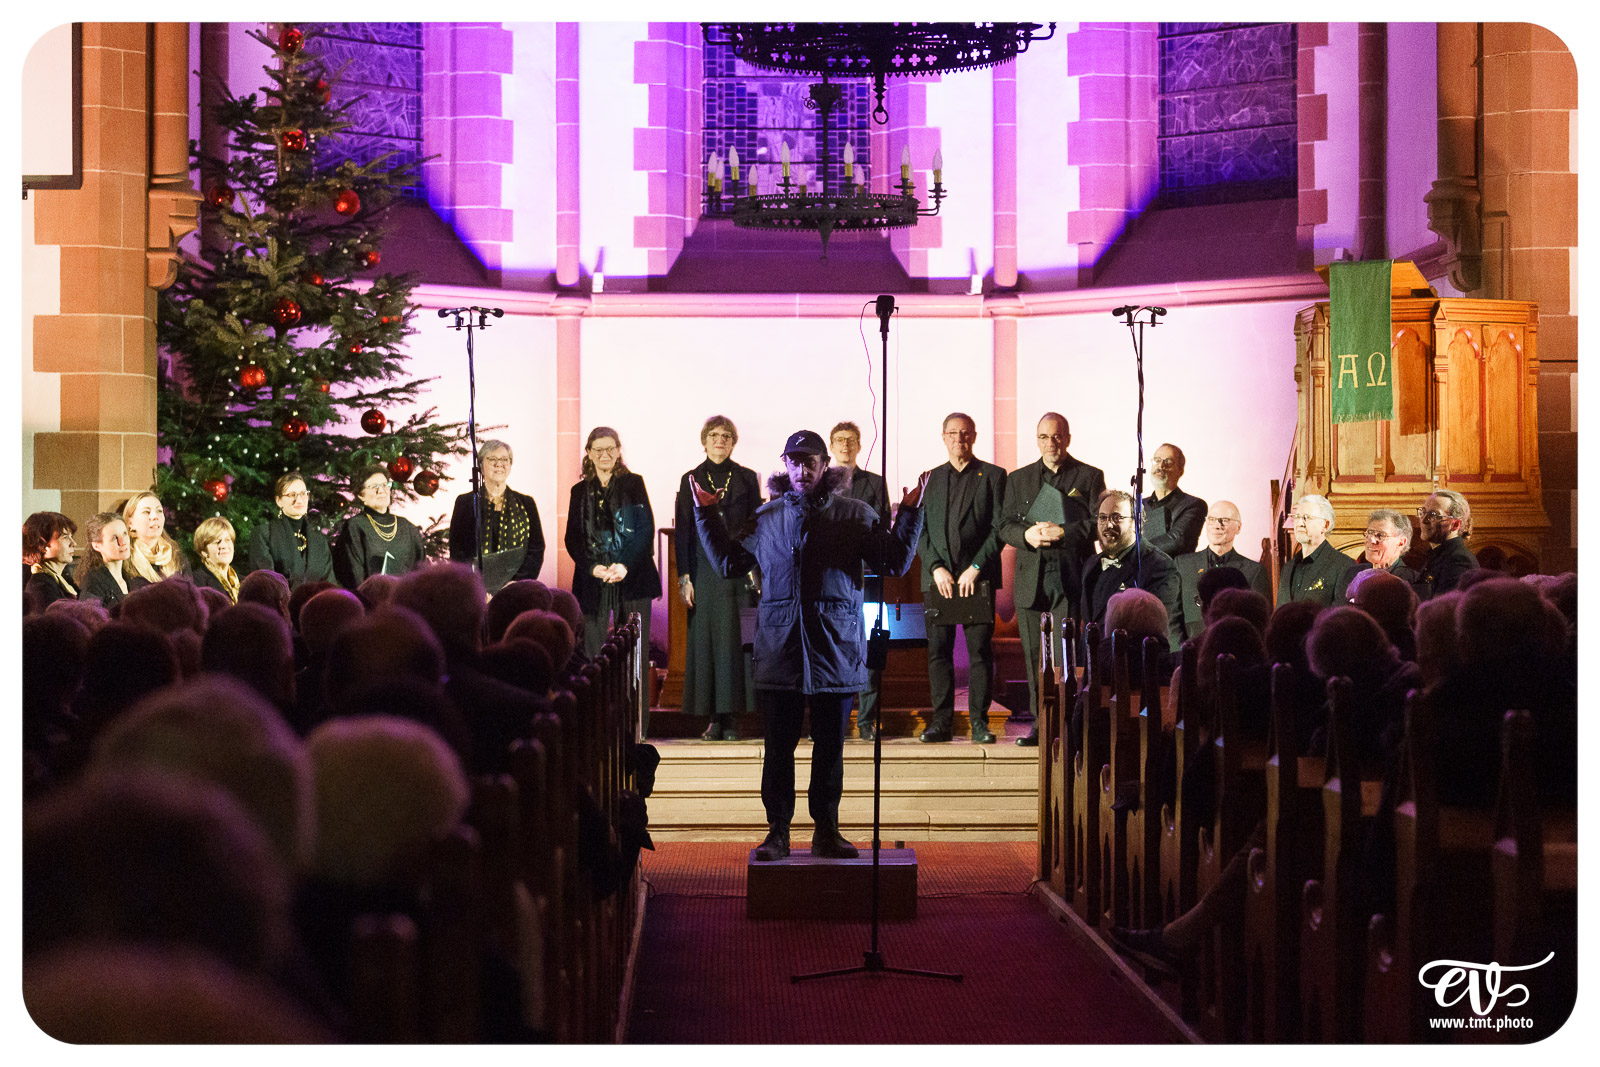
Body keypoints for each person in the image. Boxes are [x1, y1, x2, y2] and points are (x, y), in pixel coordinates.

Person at [691, 429, 926, 862]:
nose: (802, 469)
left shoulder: (854, 515)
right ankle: (777, 833)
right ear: (785, 465)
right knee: (779, 749)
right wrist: (706, 515)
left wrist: (910, 512)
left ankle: (827, 831)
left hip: (834, 647)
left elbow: (893, 561)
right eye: (794, 461)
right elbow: (727, 563)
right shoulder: (766, 517)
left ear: (824, 465)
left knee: (830, 748)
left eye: (810, 461)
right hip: (780, 647)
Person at [1001, 413, 1105, 747]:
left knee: (1065, 655)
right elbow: (1004, 526)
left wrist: (1064, 531)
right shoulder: (1018, 479)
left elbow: (1099, 523)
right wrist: (1026, 535)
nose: (1051, 444)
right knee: (1034, 654)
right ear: (1037, 440)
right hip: (1030, 577)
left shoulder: (1089, 476)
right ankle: (1040, 724)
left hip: (1069, 576)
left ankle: (1066, 722)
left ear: (1068, 438)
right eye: (1044, 437)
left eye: (1057, 437)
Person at [916, 412, 1007, 744]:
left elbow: (1000, 528)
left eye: (965, 433)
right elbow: (919, 530)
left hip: (976, 579)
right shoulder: (929, 478)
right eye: (952, 433)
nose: (959, 438)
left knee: (979, 653)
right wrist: (935, 567)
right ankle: (941, 723)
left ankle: (980, 724)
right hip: (938, 579)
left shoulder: (993, 475)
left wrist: (977, 566)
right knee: (938, 653)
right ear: (943, 437)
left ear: (974, 436)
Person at [564, 426, 660, 734]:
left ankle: (636, 729)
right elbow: (572, 538)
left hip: (632, 579)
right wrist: (592, 566)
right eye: (598, 449)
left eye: (610, 449)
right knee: (593, 656)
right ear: (589, 454)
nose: (604, 454)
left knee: (635, 654)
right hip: (593, 582)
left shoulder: (634, 483)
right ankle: (598, 728)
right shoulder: (579, 491)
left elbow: (645, 530)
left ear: (618, 451)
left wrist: (624, 565)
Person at [674, 416, 762, 741]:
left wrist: (755, 568)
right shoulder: (691, 479)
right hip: (704, 572)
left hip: (737, 572)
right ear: (704, 440)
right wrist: (685, 578)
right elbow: (683, 530)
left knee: (736, 646)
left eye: (726, 435)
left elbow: (757, 526)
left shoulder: (747, 478)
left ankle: (733, 718)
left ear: (733, 442)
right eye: (714, 435)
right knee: (709, 646)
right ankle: (713, 719)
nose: (720, 440)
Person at [829, 420, 892, 739]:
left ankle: (866, 720)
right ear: (831, 446)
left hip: (868, 577)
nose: (845, 445)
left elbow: (883, 526)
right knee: (832, 649)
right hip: (831, 580)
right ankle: (832, 722)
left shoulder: (875, 483)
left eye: (851, 440)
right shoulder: (821, 482)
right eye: (840, 440)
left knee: (868, 646)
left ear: (859, 445)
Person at [1080, 490, 1182, 651]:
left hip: (1130, 662)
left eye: (1117, 518)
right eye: (1103, 517)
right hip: (1092, 663)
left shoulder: (1159, 566)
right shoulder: (1091, 564)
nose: (1108, 525)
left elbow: (1154, 632)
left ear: (1136, 523)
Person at [448, 439, 546, 594]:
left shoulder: (526, 503)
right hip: (475, 590)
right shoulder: (465, 503)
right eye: (492, 459)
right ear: (481, 466)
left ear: (510, 465)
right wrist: (476, 587)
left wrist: (516, 583)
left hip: (516, 590)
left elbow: (536, 549)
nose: (499, 464)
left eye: (505, 459)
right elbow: (457, 550)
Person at [1173, 500, 1270, 641]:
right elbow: (1173, 616)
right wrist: (1183, 649)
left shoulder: (1254, 572)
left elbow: (1260, 623)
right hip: (1191, 649)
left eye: (1224, 520)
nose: (1217, 526)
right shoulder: (1183, 565)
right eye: (1212, 520)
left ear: (1238, 528)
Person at [334, 465, 427, 588]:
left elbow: (421, 572)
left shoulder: (407, 527)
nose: (381, 491)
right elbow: (354, 576)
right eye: (374, 487)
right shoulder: (356, 526)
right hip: (369, 597)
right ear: (361, 495)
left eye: (384, 485)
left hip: (406, 597)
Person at [247, 472, 334, 588]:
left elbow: (330, 585)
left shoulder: (319, 540)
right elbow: (266, 585)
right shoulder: (264, 534)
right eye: (292, 495)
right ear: (279, 501)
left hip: (317, 600)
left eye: (303, 494)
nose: (299, 500)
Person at [1275, 493, 1353, 607]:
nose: (1300, 523)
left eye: (1306, 518)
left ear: (1325, 525)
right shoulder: (1288, 568)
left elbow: (1341, 615)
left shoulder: (1344, 567)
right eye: (1297, 517)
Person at [1332, 507, 1419, 602]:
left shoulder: (1412, 580)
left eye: (1380, 535)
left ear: (1401, 542)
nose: (1371, 540)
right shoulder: (1352, 573)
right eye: (1369, 533)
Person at [1142, 443, 1206, 558]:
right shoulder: (1138, 505)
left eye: (1168, 462)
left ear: (1180, 471)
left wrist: (1133, 551)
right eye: (1157, 460)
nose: (1161, 466)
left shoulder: (1194, 505)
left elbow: (1176, 541)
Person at [1413, 489, 1478, 599]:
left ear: (1455, 524)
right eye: (1423, 512)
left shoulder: (1459, 560)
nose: (1423, 520)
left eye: (1433, 515)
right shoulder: (1435, 555)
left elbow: (1443, 607)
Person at [73, 513, 147, 610]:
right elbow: (90, 618)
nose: (122, 542)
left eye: (125, 534)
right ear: (97, 546)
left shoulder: (131, 578)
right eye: (114, 538)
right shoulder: (93, 583)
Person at [122, 491, 187, 583]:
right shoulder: (124, 559)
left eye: (159, 511)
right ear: (131, 523)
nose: (155, 516)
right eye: (146, 512)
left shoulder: (177, 555)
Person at [23, 512, 79, 608]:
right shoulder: (41, 588)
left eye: (71, 537)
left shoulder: (64, 578)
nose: (74, 543)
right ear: (42, 545)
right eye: (65, 537)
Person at [190, 517, 242, 603]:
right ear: (204, 551)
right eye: (217, 542)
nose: (224, 546)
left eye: (228, 540)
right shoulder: (197, 584)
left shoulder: (244, 582)